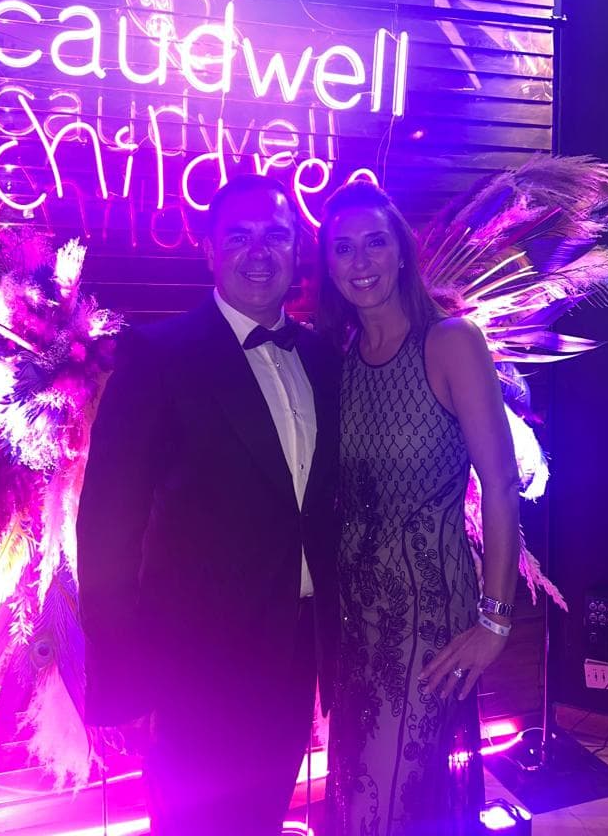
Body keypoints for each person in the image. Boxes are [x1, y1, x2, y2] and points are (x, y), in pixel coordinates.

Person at [76, 175, 340, 836]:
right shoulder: (159, 355)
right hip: (195, 667)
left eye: (276, 235)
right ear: (209, 251)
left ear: (297, 248)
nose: (259, 252)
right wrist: (124, 680)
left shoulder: (322, 356)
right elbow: (107, 526)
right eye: (240, 236)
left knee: (266, 816)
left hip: (296, 653)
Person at [318, 181, 520, 836]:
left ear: (401, 250)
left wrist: (494, 621)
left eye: (375, 241)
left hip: (429, 616)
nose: (360, 260)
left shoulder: (452, 342)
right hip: (355, 619)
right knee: (355, 789)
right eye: (341, 248)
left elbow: (500, 484)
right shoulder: (338, 359)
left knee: (394, 798)